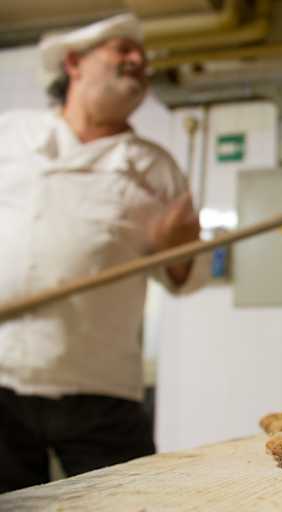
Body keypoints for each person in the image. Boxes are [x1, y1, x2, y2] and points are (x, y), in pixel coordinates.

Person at [0, 14, 209, 493]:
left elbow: (186, 279)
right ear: (74, 63)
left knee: (128, 502)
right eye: (123, 51)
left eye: (143, 56)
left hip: (102, 387)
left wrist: (178, 250)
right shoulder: (10, 136)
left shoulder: (155, 167)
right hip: (3, 378)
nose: (139, 61)